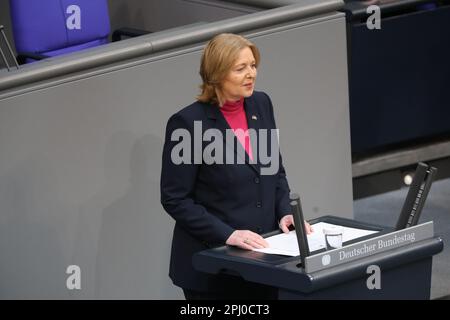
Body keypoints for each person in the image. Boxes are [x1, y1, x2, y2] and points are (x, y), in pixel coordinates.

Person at [160, 33, 313, 300]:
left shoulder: (261, 104)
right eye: (240, 68)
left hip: (263, 260)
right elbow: (175, 199)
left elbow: (273, 171)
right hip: (213, 267)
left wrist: (285, 212)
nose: (250, 74)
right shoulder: (188, 123)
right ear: (217, 74)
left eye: (253, 66)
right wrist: (228, 234)